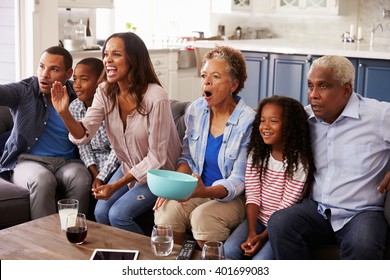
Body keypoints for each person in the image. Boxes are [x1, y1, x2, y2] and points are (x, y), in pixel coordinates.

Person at [51, 32, 182, 235]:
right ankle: (119, 257)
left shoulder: (156, 96)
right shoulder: (105, 91)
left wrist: (114, 185)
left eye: (116, 54)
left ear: (133, 59)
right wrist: (64, 113)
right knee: (102, 212)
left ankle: (147, 258)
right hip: (129, 165)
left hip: (159, 173)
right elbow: (84, 133)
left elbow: (157, 158)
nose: (108, 60)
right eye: (106, 54)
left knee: (118, 215)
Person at [267, 55, 390, 259]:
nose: (313, 95)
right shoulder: (303, 119)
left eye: (323, 86)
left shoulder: (379, 115)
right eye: (310, 86)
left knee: (363, 244)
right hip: (317, 209)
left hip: (362, 212)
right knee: (280, 223)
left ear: (346, 89)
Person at [154, 45, 256, 248]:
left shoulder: (248, 121)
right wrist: (176, 186)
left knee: (203, 217)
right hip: (196, 191)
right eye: (203, 75)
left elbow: (239, 180)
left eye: (216, 76)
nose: (206, 82)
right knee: (165, 210)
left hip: (231, 197)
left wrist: (203, 191)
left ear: (233, 85)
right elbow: (187, 158)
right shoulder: (196, 110)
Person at [0, 46, 92, 219]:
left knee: (81, 178)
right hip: (27, 161)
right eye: (42, 66)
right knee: (42, 180)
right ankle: (45, 241)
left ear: (68, 73)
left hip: (68, 162)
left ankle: (71, 232)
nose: (44, 74)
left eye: (54, 69)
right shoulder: (25, 90)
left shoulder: (78, 94)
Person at [224, 95, 315, 260]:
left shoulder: (299, 162)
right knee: (228, 251)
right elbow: (252, 194)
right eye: (262, 120)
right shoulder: (257, 154)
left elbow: (287, 205)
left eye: (273, 121)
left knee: (260, 262)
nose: (265, 127)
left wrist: (263, 236)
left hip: (280, 226)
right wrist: (252, 232)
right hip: (257, 219)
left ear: (289, 126)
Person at [69, 57, 119, 188]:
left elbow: (118, 150)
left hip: (118, 162)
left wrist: (102, 177)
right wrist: (95, 174)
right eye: (75, 79)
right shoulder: (74, 107)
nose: (77, 85)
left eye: (84, 79)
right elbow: (83, 146)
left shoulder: (115, 106)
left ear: (101, 82)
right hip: (93, 164)